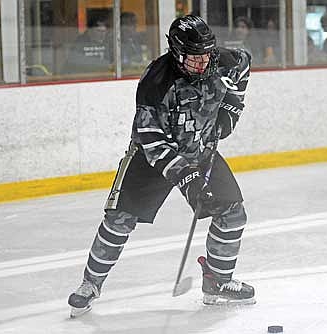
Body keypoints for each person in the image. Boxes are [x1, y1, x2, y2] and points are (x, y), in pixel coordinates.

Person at [68, 15, 255, 318]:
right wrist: (189, 179)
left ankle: (217, 282)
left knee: (233, 214)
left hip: (201, 148)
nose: (203, 63)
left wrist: (230, 110)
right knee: (119, 218)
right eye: (195, 58)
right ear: (176, 53)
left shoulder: (223, 60)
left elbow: (244, 65)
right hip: (151, 158)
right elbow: (154, 143)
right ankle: (90, 284)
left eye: (207, 55)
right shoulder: (156, 81)